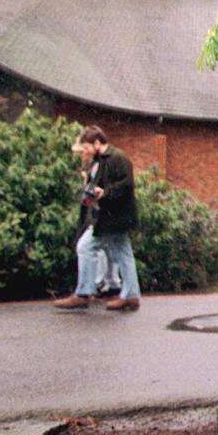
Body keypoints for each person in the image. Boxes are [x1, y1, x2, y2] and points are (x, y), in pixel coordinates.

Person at [54, 126, 142, 311]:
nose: (84, 151)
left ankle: (84, 293)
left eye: (86, 146)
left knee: (86, 247)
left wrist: (104, 193)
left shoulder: (118, 158)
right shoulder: (100, 160)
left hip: (113, 218)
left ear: (97, 143)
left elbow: (127, 185)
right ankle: (130, 295)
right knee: (123, 254)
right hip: (111, 218)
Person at [73, 140, 120, 297]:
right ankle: (110, 283)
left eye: (82, 151)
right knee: (107, 248)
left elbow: (99, 189)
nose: (81, 155)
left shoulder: (98, 166)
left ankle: (99, 283)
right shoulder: (92, 166)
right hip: (96, 212)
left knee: (93, 247)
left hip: (101, 213)